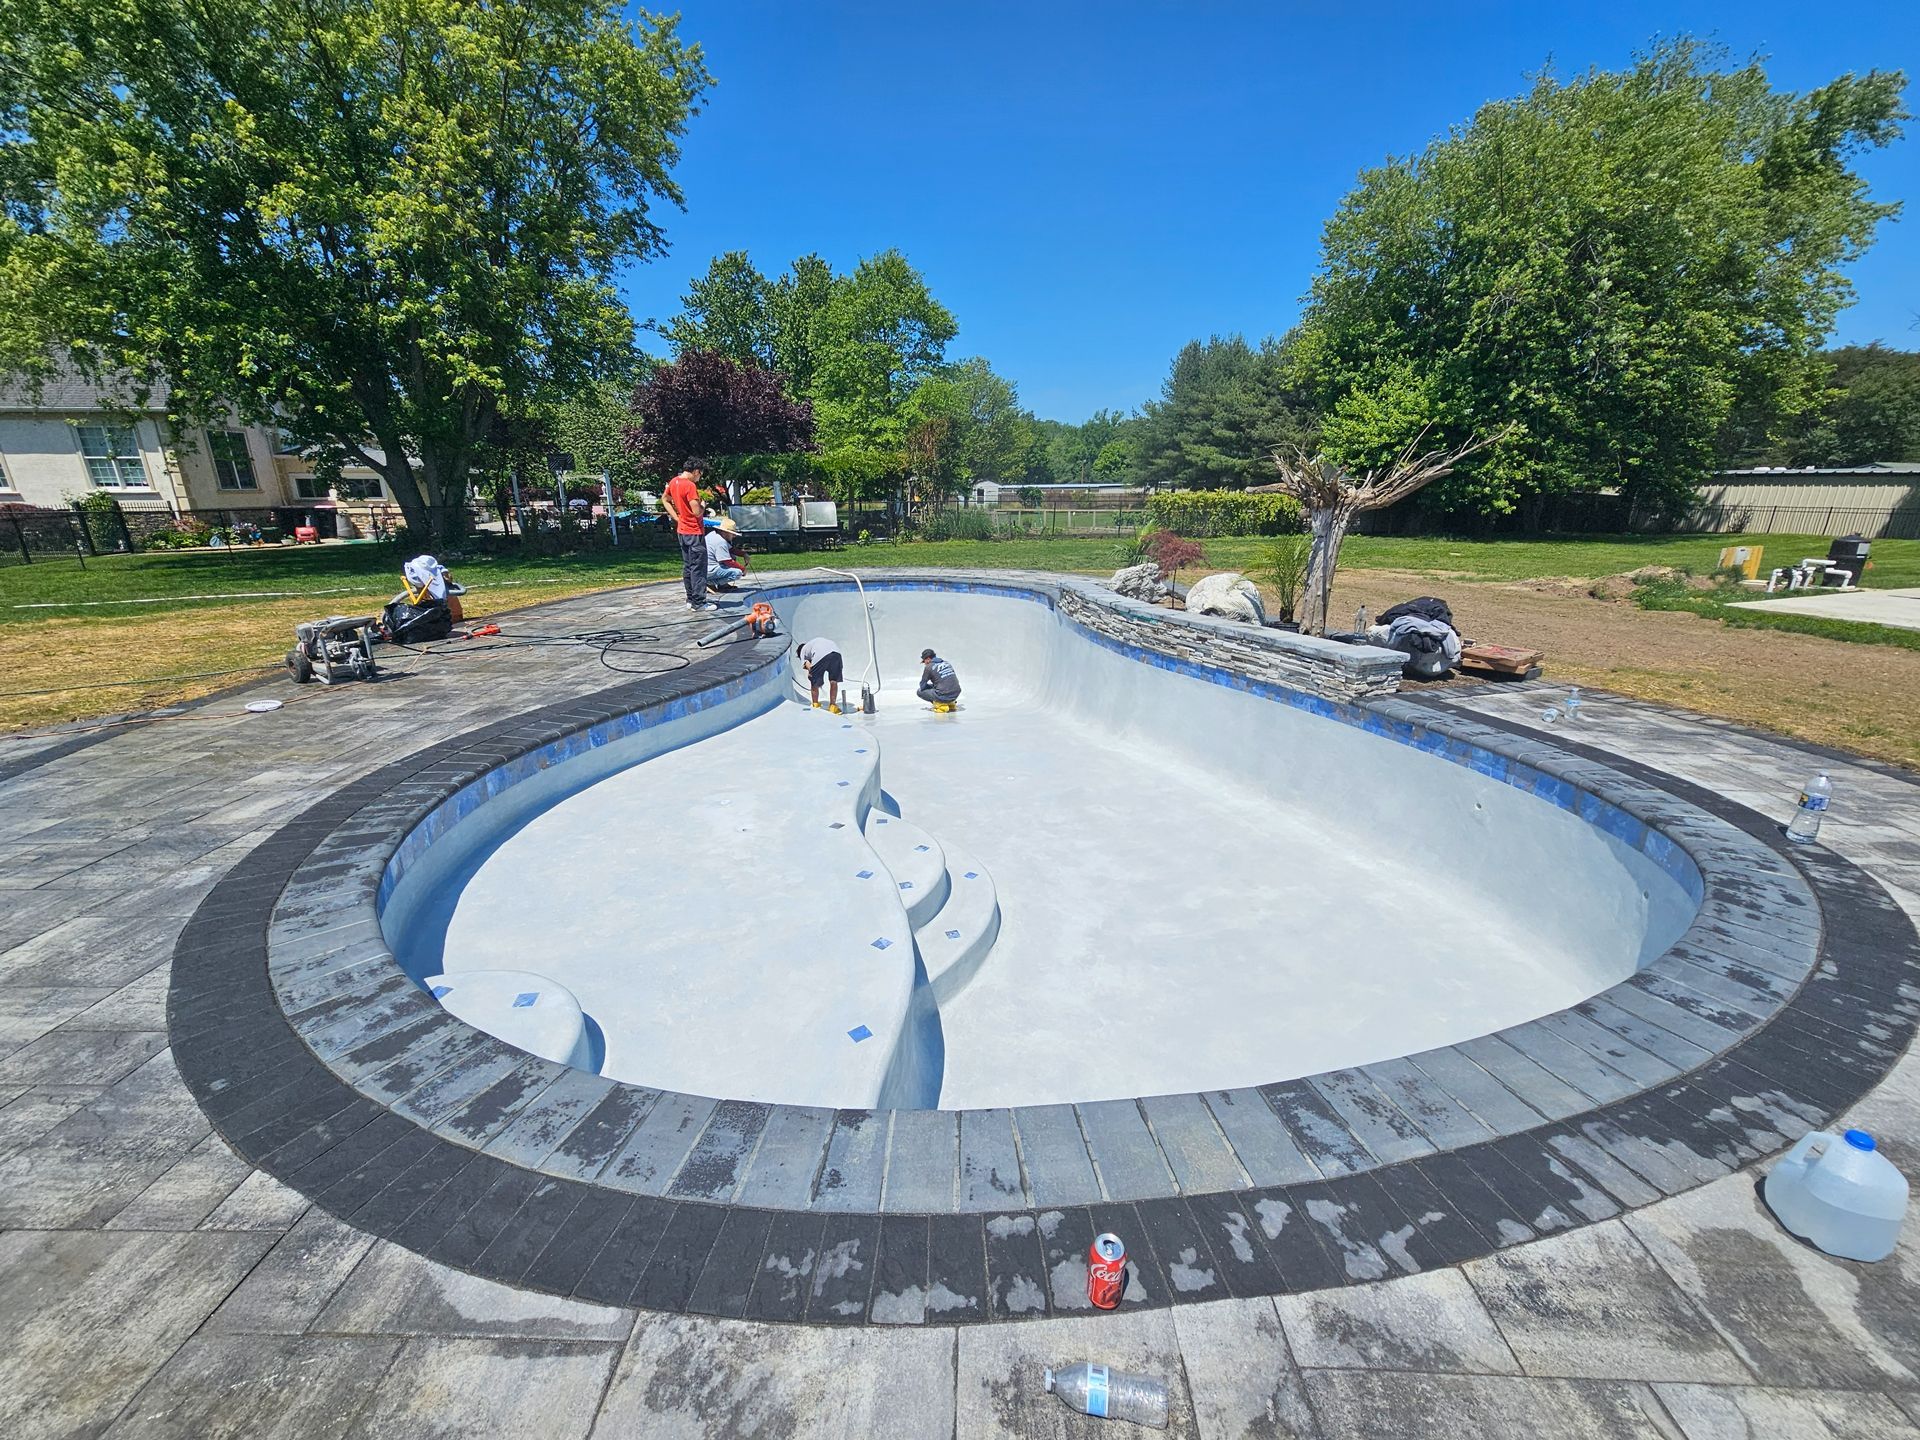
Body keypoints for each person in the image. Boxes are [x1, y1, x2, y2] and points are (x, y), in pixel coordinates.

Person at [663, 457, 715, 612]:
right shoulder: (690, 486)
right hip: (694, 531)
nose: (699, 478)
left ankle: (690, 598)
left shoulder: (674, 482)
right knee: (698, 566)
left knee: (688, 565)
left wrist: (676, 517)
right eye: (700, 475)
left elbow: (665, 499)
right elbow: (697, 511)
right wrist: (703, 505)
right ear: (696, 471)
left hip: (682, 530)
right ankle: (699, 602)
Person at [796, 636, 844, 712]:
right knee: (833, 681)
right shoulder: (813, 644)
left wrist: (811, 675)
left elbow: (808, 665)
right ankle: (833, 706)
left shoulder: (802, 651)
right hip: (836, 653)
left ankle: (815, 704)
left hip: (821, 654)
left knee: (813, 681)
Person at [704, 517, 747, 591]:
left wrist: (744, 554)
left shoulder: (714, 535)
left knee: (732, 556)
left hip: (705, 568)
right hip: (710, 570)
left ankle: (723, 585)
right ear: (724, 532)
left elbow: (731, 550)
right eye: (732, 534)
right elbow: (727, 561)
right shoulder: (720, 542)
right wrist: (743, 569)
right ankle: (710, 583)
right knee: (737, 573)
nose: (734, 536)